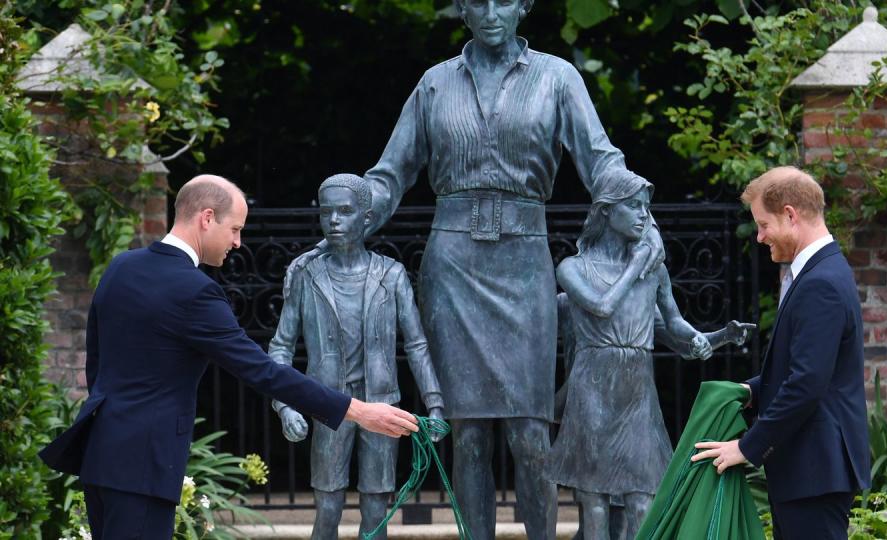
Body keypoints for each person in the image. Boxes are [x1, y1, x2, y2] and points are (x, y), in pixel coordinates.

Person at [287, 1, 665, 536]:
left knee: (531, 433)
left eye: (504, 0)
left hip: (525, 263)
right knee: (466, 435)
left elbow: (600, 160)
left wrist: (637, 210)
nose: (491, 12)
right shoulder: (435, 83)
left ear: (525, 6)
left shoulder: (558, 78)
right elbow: (391, 174)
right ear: (461, 9)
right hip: (454, 266)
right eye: (478, 1)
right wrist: (346, 211)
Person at [38, 175, 420, 540]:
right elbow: (263, 371)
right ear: (207, 218)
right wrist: (358, 411)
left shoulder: (121, 267)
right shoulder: (195, 291)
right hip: (145, 466)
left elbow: (97, 362)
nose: (237, 242)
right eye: (235, 229)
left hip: (101, 456)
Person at [547, 171, 754, 539]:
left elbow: (676, 329)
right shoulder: (573, 268)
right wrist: (637, 265)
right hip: (593, 387)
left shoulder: (653, 273)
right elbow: (601, 306)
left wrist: (719, 337)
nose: (644, 215)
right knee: (593, 498)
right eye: (634, 206)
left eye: (647, 207)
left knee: (642, 497)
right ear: (607, 212)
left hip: (637, 391)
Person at [691, 166, 870, 540]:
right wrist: (750, 391)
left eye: (763, 224)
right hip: (810, 468)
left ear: (790, 215)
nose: (759, 237)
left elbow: (806, 383)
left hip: (814, 470)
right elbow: (801, 368)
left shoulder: (820, 281)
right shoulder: (819, 273)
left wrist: (747, 446)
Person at [268, 174, 445, 539]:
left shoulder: (392, 275)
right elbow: (281, 346)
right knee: (328, 508)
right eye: (326, 212)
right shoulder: (306, 276)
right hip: (328, 403)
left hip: (381, 402)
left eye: (345, 212)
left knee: (376, 510)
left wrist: (435, 405)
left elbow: (416, 344)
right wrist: (285, 406)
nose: (333, 220)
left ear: (366, 217)